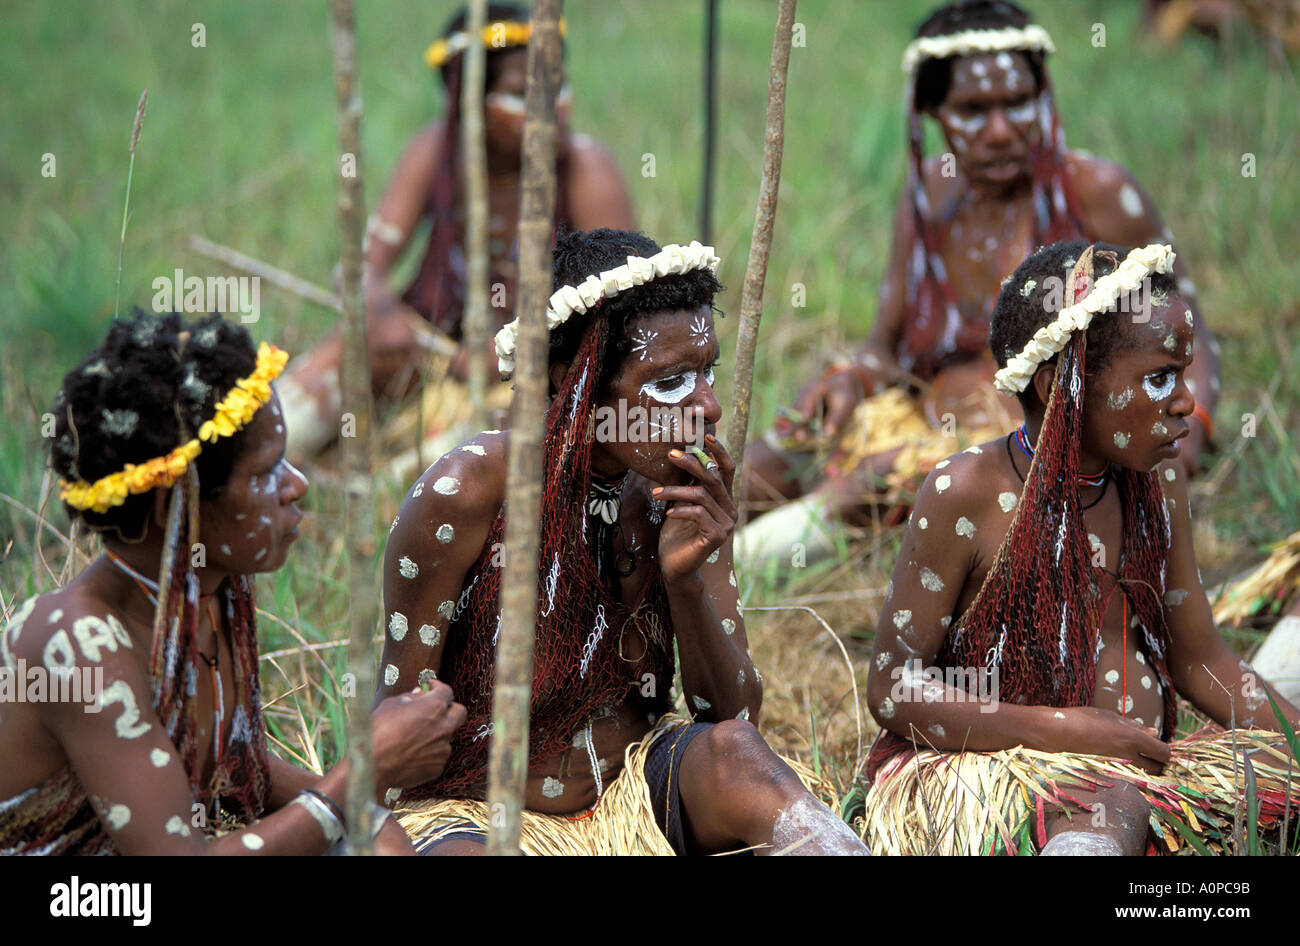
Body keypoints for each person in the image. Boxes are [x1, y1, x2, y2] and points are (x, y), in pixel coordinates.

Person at [380, 229, 869, 855]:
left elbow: (733, 718)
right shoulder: (468, 492)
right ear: (572, 382)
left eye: (707, 372)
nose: (709, 406)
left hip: (635, 797)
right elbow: (398, 720)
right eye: (670, 384)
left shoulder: (682, 492)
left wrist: (687, 579)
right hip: (478, 817)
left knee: (736, 759)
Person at [738, 0, 1221, 564]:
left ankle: (735, 566)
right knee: (797, 433)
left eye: (1018, 104)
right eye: (972, 109)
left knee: (874, 478)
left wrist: (1182, 447)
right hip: (928, 418)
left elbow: (1191, 340)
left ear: (1044, 98)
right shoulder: (929, 195)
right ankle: (663, 528)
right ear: (932, 113)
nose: (998, 131)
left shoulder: (1097, 193)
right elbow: (884, 346)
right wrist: (848, 377)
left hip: (1045, 443)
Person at [861, 241, 1299, 855]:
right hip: (1003, 780)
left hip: (1145, 775)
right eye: (1159, 378)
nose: (1186, 403)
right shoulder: (965, 492)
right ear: (1056, 383)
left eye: (1184, 374)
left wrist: (1295, 747)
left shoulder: (1158, 480)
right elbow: (894, 689)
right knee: (1108, 809)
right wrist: (1066, 732)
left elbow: (1200, 661)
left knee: (1276, 782)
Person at [0, 311, 465, 854]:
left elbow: (228, 763)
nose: (297, 486)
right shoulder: (77, 646)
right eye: (264, 473)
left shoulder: (211, 591)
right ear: (176, 504)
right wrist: (363, 771)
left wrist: (363, 814)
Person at [279, 2, 636, 460]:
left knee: (474, 447)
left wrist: (516, 346)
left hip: (538, 373)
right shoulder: (436, 153)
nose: (550, 108)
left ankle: (401, 488)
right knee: (355, 346)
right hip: (438, 352)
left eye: (559, 86)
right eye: (519, 93)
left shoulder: (587, 169)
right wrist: (379, 308)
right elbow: (359, 268)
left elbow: (622, 303)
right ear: (470, 103)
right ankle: (256, 459)